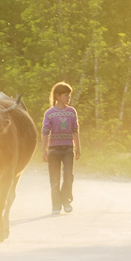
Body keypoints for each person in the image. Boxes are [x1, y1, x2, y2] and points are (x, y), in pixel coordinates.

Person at [41, 81, 81, 214]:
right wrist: (43, 151)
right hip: (54, 150)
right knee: (54, 178)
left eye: (69, 96)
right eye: (65, 95)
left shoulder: (71, 112)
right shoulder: (50, 113)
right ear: (57, 96)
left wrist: (78, 148)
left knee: (69, 176)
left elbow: (75, 130)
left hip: (68, 148)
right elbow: (45, 132)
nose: (68, 98)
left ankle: (65, 199)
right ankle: (56, 205)